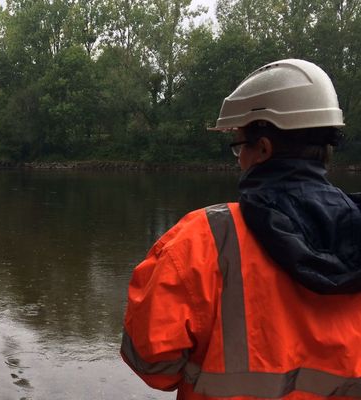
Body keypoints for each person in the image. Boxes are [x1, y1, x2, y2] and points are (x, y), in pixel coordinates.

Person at [120, 58, 361, 398]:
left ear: (262, 149)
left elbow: (153, 364)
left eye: (238, 146)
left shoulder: (201, 240)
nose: (238, 158)